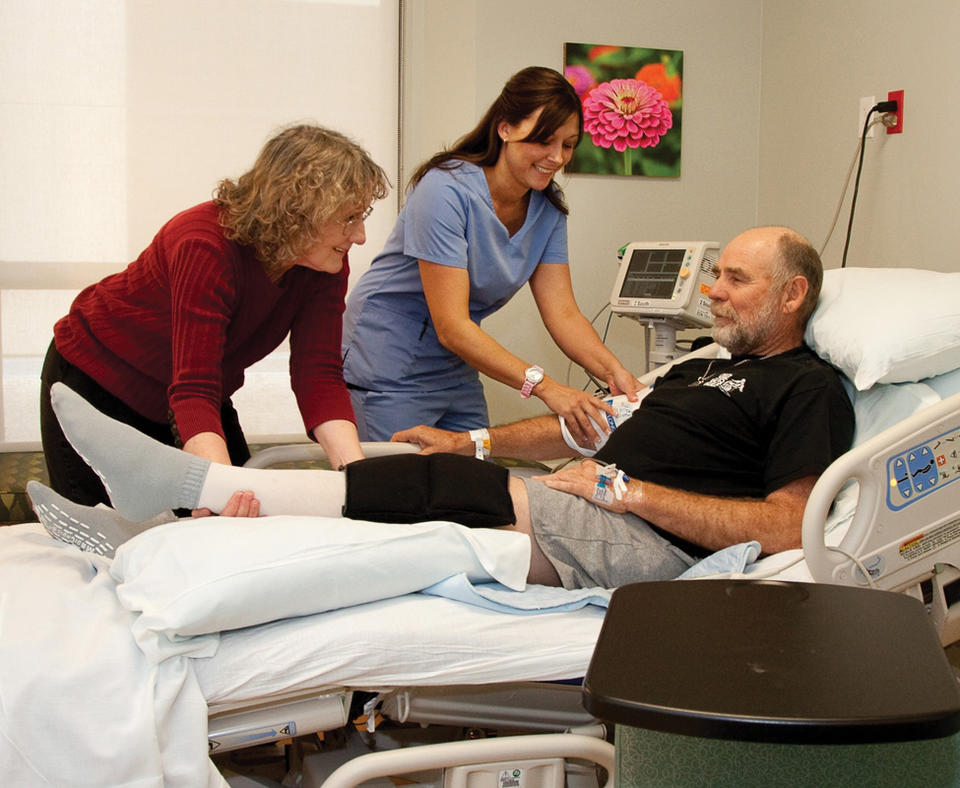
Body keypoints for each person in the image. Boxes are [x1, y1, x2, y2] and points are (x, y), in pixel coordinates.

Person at [30, 226, 855, 591]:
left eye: (734, 279)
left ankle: (176, 512)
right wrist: (475, 440)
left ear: (792, 294)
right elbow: (587, 424)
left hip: (645, 542)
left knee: (444, 502)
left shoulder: (807, 388)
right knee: (432, 474)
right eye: (714, 273)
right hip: (583, 502)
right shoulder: (688, 373)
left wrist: (626, 493)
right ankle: (157, 535)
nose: (711, 289)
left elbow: (788, 526)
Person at [40, 124, 390, 508]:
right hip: (99, 382)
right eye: (348, 218)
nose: (360, 236)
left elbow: (318, 375)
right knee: (117, 543)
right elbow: (193, 387)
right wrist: (218, 495)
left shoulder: (323, 262)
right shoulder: (203, 243)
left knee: (247, 513)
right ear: (298, 213)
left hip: (196, 394)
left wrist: (360, 484)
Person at [340, 66, 638, 445]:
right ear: (505, 128)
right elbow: (451, 326)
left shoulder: (547, 208)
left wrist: (616, 373)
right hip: (387, 364)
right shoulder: (445, 190)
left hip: (455, 364)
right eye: (544, 141)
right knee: (399, 488)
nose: (557, 157)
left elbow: (563, 313)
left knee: (476, 477)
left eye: (568, 144)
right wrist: (548, 388)